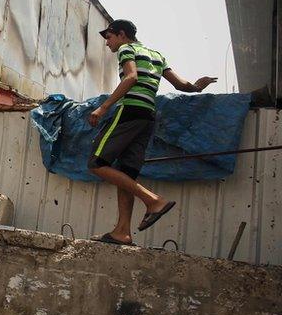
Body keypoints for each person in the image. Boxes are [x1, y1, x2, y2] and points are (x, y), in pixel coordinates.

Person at [87, 20, 217, 245]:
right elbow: (180, 85)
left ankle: (153, 201)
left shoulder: (127, 49)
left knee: (96, 163)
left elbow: (131, 77)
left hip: (130, 110)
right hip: (147, 116)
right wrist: (197, 86)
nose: (107, 43)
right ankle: (122, 232)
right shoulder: (157, 55)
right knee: (126, 173)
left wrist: (103, 107)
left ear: (121, 34)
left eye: (108, 37)